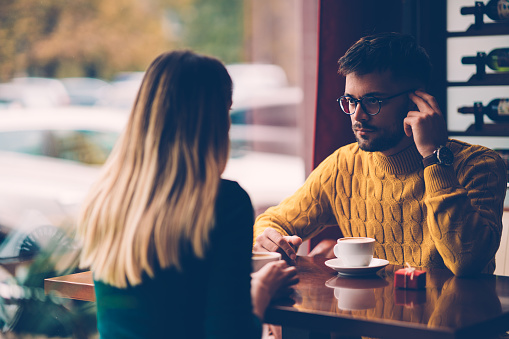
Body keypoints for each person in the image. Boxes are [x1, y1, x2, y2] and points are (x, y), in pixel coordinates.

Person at [78, 50, 298, 338]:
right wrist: (261, 289)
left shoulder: (105, 199)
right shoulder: (224, 203)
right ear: (215, 120)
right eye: (227, 110)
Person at [253, 32, 507, 276]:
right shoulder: (344, 165)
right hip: (366, 319)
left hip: (454, 320)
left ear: (415, 101)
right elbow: (273, 221)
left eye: (373, 101)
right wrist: (270, 239)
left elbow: (467, 263)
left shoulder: (480, 165)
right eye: (351, 101)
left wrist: (434, 156)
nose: (357, 115)